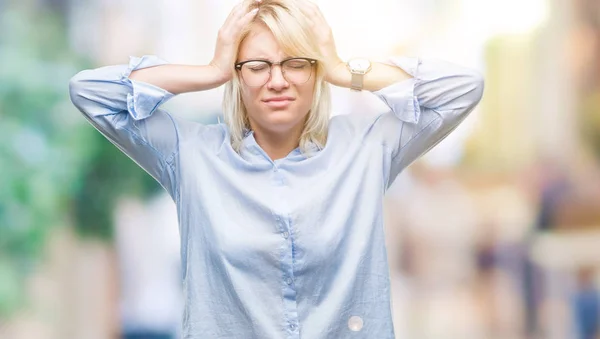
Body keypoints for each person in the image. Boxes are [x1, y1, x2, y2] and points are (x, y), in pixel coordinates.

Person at [68, 0, 484, 337]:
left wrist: (343, 69)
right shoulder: (190, 154)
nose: (278, 80)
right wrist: (211, 71)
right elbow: (88, 92)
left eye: (296, 63)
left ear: (314, 71)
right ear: (239, 75)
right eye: (258, 65)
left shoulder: (367, 147)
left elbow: (462, 89)